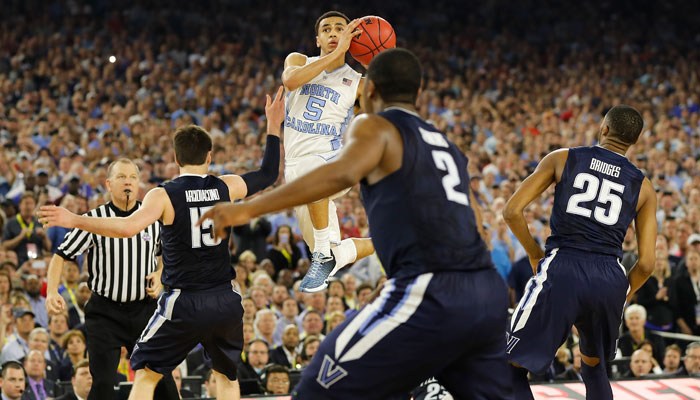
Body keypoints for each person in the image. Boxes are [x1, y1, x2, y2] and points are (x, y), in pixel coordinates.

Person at [198, 48, 511, 399]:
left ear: (369, 89)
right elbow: (477, 222)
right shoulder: (447, 146)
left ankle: (331, 254)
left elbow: (338, 173)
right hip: (486, 292)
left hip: (431, 291)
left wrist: (246, 210)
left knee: (317, 387)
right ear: (418, 93)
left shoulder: (376, 124)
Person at [39, 86, 285, 400]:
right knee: (226, 375)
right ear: (209, 157)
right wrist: (272, 127)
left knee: (145, 374)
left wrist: (74, 219)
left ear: (175, 157)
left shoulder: (163, 194)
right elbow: (268, 173)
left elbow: (127, 228)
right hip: (224, 298)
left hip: (183, 300)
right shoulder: (226, 185)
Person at [504, 104, 657, 400]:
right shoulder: (644, 186)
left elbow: (511, 211)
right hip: (610, 276)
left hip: (564, 266)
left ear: (605, 128)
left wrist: (536, 255)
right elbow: (648, 263)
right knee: (594, 368)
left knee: (509, 366)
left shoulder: (564, 158)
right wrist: (622, 292)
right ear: (634, 141)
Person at [44, 158, 178, 400]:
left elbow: (165, 255)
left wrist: (159, 275)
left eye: (132, 177)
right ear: (108, 184)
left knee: (162, 379)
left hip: (144, 310)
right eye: (121, 177)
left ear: (139, 183)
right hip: (105, 311)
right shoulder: (94, 219)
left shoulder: (153, 219)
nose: (128, 181)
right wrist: (52, 291)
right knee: (104, 382)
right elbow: (60, 254)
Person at [281, 10, 374, 292]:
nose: (334, 33)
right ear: (318, 38)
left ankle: (321, 253)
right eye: (328, 29)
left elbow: (378, 116)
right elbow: (290, 82)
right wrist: (334, 56)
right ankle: (398, 236)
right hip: (296, 169)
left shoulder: (358, 81)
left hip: (333, 160)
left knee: (314, 176)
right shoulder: (298, 60)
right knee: (334, 253)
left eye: (340, 29)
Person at [2, 192, 51, 267]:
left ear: (35, 206)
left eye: (31, 204)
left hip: (37, 263)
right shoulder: (11, 223)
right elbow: (4, 246)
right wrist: (20, 237)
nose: (29, 207)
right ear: (20, 205)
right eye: (26, 203)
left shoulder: (38, 222)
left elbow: (48, 248)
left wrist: (44, 237)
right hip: (17, 262)